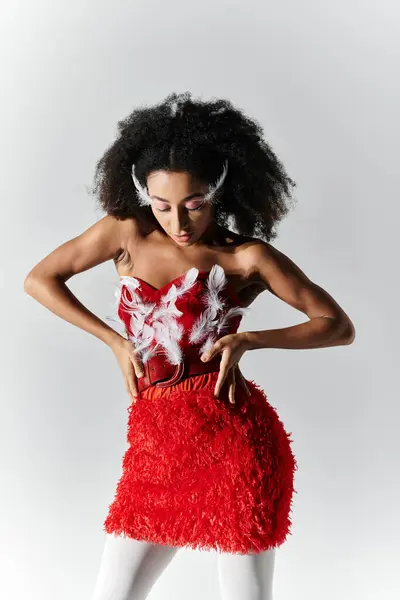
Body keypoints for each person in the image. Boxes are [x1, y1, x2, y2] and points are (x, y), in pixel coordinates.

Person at [24, 91, 355, 600]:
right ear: (143, 196)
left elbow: (336, 325)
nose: (179, 222)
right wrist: (114, 341)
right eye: (163, 206)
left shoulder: (246, 257)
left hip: (235, 442)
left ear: (219, 190)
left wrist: (250, 339)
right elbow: (40, 279)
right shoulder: (126, 232)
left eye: (194, 205)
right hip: (155, 447)